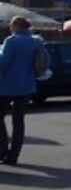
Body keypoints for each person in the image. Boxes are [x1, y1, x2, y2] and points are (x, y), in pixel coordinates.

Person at [0, 17, 43, 165]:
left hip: (6, 86)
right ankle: (14, 155)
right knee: (18, 121)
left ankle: (2, 149)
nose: (10, 27)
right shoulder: (37, 42)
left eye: (11, 24)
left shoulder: (12, 41)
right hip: (27, 86)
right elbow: (44, 62)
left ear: (17, 25)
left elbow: (3, 64)